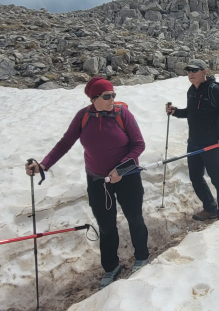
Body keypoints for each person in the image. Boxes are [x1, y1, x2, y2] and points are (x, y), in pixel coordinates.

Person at [25, 77, 149, 290]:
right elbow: (65, 143)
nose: (112, 100)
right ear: (94, 99)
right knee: (106, 226)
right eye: (107, 96)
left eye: (113, 95)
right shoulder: (83, 117)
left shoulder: (122, 114)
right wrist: (43, 165)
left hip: (126, 177)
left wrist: (119, 169)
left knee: (135, 218)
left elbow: (138, 145)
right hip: (97, 181)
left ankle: (142, 257)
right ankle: (111, 267)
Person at [165, 59, 219, 221]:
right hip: (194, 143)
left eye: (194, 70)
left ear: (204, 72)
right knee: (196, 178)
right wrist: (175, 112)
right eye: (188, 71)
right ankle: (210, 208)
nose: (190, 74)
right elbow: (191, 112)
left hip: (212, 143)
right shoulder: (191, 91)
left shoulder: (215, 91)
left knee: (217, 179)